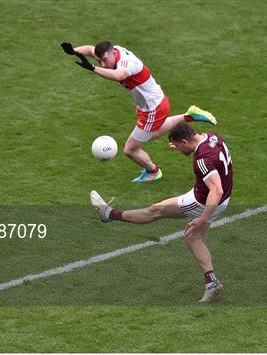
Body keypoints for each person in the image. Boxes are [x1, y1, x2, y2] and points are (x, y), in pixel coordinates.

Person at [90, 123, 233, 302]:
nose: (178, 150)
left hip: (204, 201)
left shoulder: (202, 160)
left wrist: (203, 218)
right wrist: (180, 144)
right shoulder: (212, 137)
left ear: (184, 141)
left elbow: (216, 190)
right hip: (223, 198)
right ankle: (211, 283)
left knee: (155, 211)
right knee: (193, 237)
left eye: (178, 145)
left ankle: (108, 214)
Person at [61, 41, 217, 182]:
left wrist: (93, 68)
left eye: (104, 60)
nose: (103, 63)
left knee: (130, 149)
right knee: (152, 135)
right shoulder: (110, 52)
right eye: (99, 61)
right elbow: (89, 49)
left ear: (113, 53)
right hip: (154, 104)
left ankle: (153, 172)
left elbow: (118, 75)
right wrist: (73, 51)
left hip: (153, 109)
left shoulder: (127, 63)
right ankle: (189, 116)